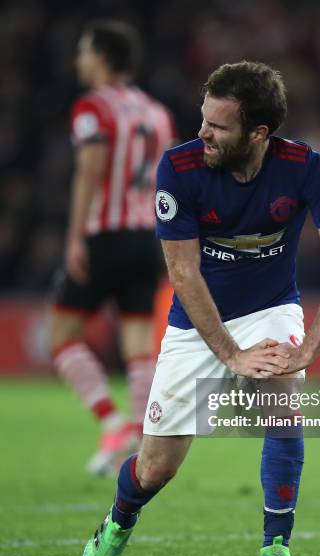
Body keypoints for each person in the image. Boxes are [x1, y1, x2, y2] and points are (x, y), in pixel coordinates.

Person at [80, 61, 320, 556]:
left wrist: (308, 351)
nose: (203, 133)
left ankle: (275, 550)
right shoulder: (180, 168)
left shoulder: (304, 166)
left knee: (284, 397)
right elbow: (183, 273)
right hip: (197, 320)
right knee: (156, 469)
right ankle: (117, 523)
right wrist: (231, 354)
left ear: (259, 133)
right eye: (203, 119)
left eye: (218, 126)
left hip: (271, 308)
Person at [50, 20, 176, 476]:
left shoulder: (92, 108)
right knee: (139, 344)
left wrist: (75, 236)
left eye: (84, 52)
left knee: (62, 337)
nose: (79, 61)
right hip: (147, 236)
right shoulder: (157, 112)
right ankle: (142, 439)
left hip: (105, 232)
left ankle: (112, 423)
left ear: (101, 57)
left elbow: (90, 171)